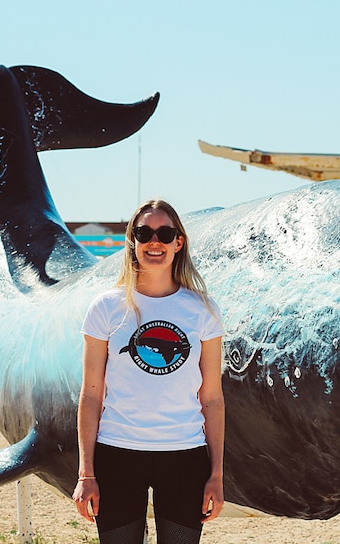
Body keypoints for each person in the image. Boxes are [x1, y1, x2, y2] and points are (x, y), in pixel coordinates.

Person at [73, 199, 225, 544]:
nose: (154, 241)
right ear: (133, 241)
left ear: (178, 242)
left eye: (165, 233)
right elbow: (91, 394)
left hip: (185, 456)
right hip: (117, 454)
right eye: (144, 233)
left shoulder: (202, 309)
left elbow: (213, 398)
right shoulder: (106, 307)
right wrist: (86, 473)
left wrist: (216, 474)